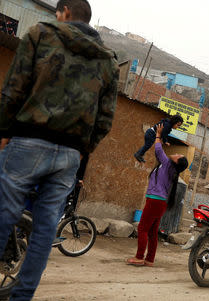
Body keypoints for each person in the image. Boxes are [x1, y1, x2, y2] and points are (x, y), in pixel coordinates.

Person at [0, 0, 118, 299]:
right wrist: (83, 150)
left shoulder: (41, 33)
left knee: (4, 213)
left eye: (57, 13)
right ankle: (22, 296)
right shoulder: (107, 60)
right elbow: (105, 119)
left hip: (28, 140)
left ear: (64, 12)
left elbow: (14, 88)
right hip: (69, 156)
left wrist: (3, 131)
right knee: (45, 229)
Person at [127, 124, 188, 266]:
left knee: (142, 229)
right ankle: (149, 259)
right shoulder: (169, 167)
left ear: (176, 162)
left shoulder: (167, 164)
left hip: (154, 201)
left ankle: (139, 257)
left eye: (179, 156)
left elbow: (158, 149)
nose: (177, 154)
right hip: (159, 203)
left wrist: (158, 134)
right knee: (152, 232)